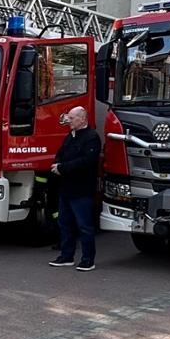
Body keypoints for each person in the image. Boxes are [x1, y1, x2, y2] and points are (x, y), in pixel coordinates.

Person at [46, 106, 102, 272]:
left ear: (82, 119)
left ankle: (87, 259)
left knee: (84, 226)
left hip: (82, 189)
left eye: (71, 118)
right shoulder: (69, 137)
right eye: (68, 118)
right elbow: (61, 153)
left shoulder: (91, 138)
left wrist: (62, 168)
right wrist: (57, 165)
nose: (68, 121)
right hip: (66, 188)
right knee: (65, 223)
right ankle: (66, 256)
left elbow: (87, 161)